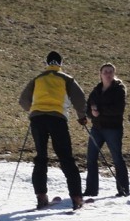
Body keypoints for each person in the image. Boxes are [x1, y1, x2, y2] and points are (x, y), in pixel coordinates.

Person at [19, 51, 88, 210]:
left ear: (47, 62)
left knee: (41, 157)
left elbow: (23, 100)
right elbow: (79, 98)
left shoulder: (38, 79)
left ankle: (41, 197)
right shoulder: (66, 78)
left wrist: (33, 109)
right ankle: (76, 198)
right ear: (60, 63)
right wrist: (82, 117)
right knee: (66, 158)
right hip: (57, 118)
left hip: (37, 119)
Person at [83, 63, 130, 197]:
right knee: (91, 158)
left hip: (113, 129)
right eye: (105, 72)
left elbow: (118, 109)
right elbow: (88, 107)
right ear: (100, 74)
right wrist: (92, 113)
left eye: (110, 72)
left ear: (114, 74)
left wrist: (100, 111)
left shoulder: (119, 89)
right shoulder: (96, 90)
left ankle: (123, 189)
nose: (108, 74)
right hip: (97, 128)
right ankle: (91, 190)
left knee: (116, 158)